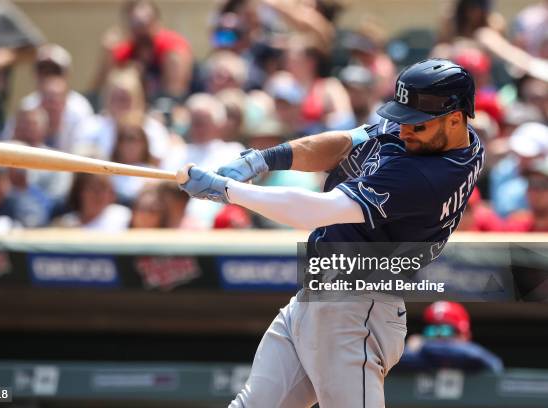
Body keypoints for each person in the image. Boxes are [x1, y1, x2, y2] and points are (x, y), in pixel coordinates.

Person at [178, 58, 485, 407]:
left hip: (356, 307)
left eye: (417, 125)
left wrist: (230, 191)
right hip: (319, 294)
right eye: (403, 119)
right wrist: (265, 160)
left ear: (456, 118)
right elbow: (346, 143)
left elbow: (317, 211)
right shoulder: (446, 136)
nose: (403, 131)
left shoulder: (429, 178)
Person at [398, 301, 503, 373]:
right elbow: (394, 362)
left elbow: (491, 362)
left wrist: (424, 345)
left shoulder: (475, 359)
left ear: (464, 335)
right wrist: (410, 350)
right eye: (432, 330)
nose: (437, 336)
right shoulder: (422, 360)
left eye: (445, 330)